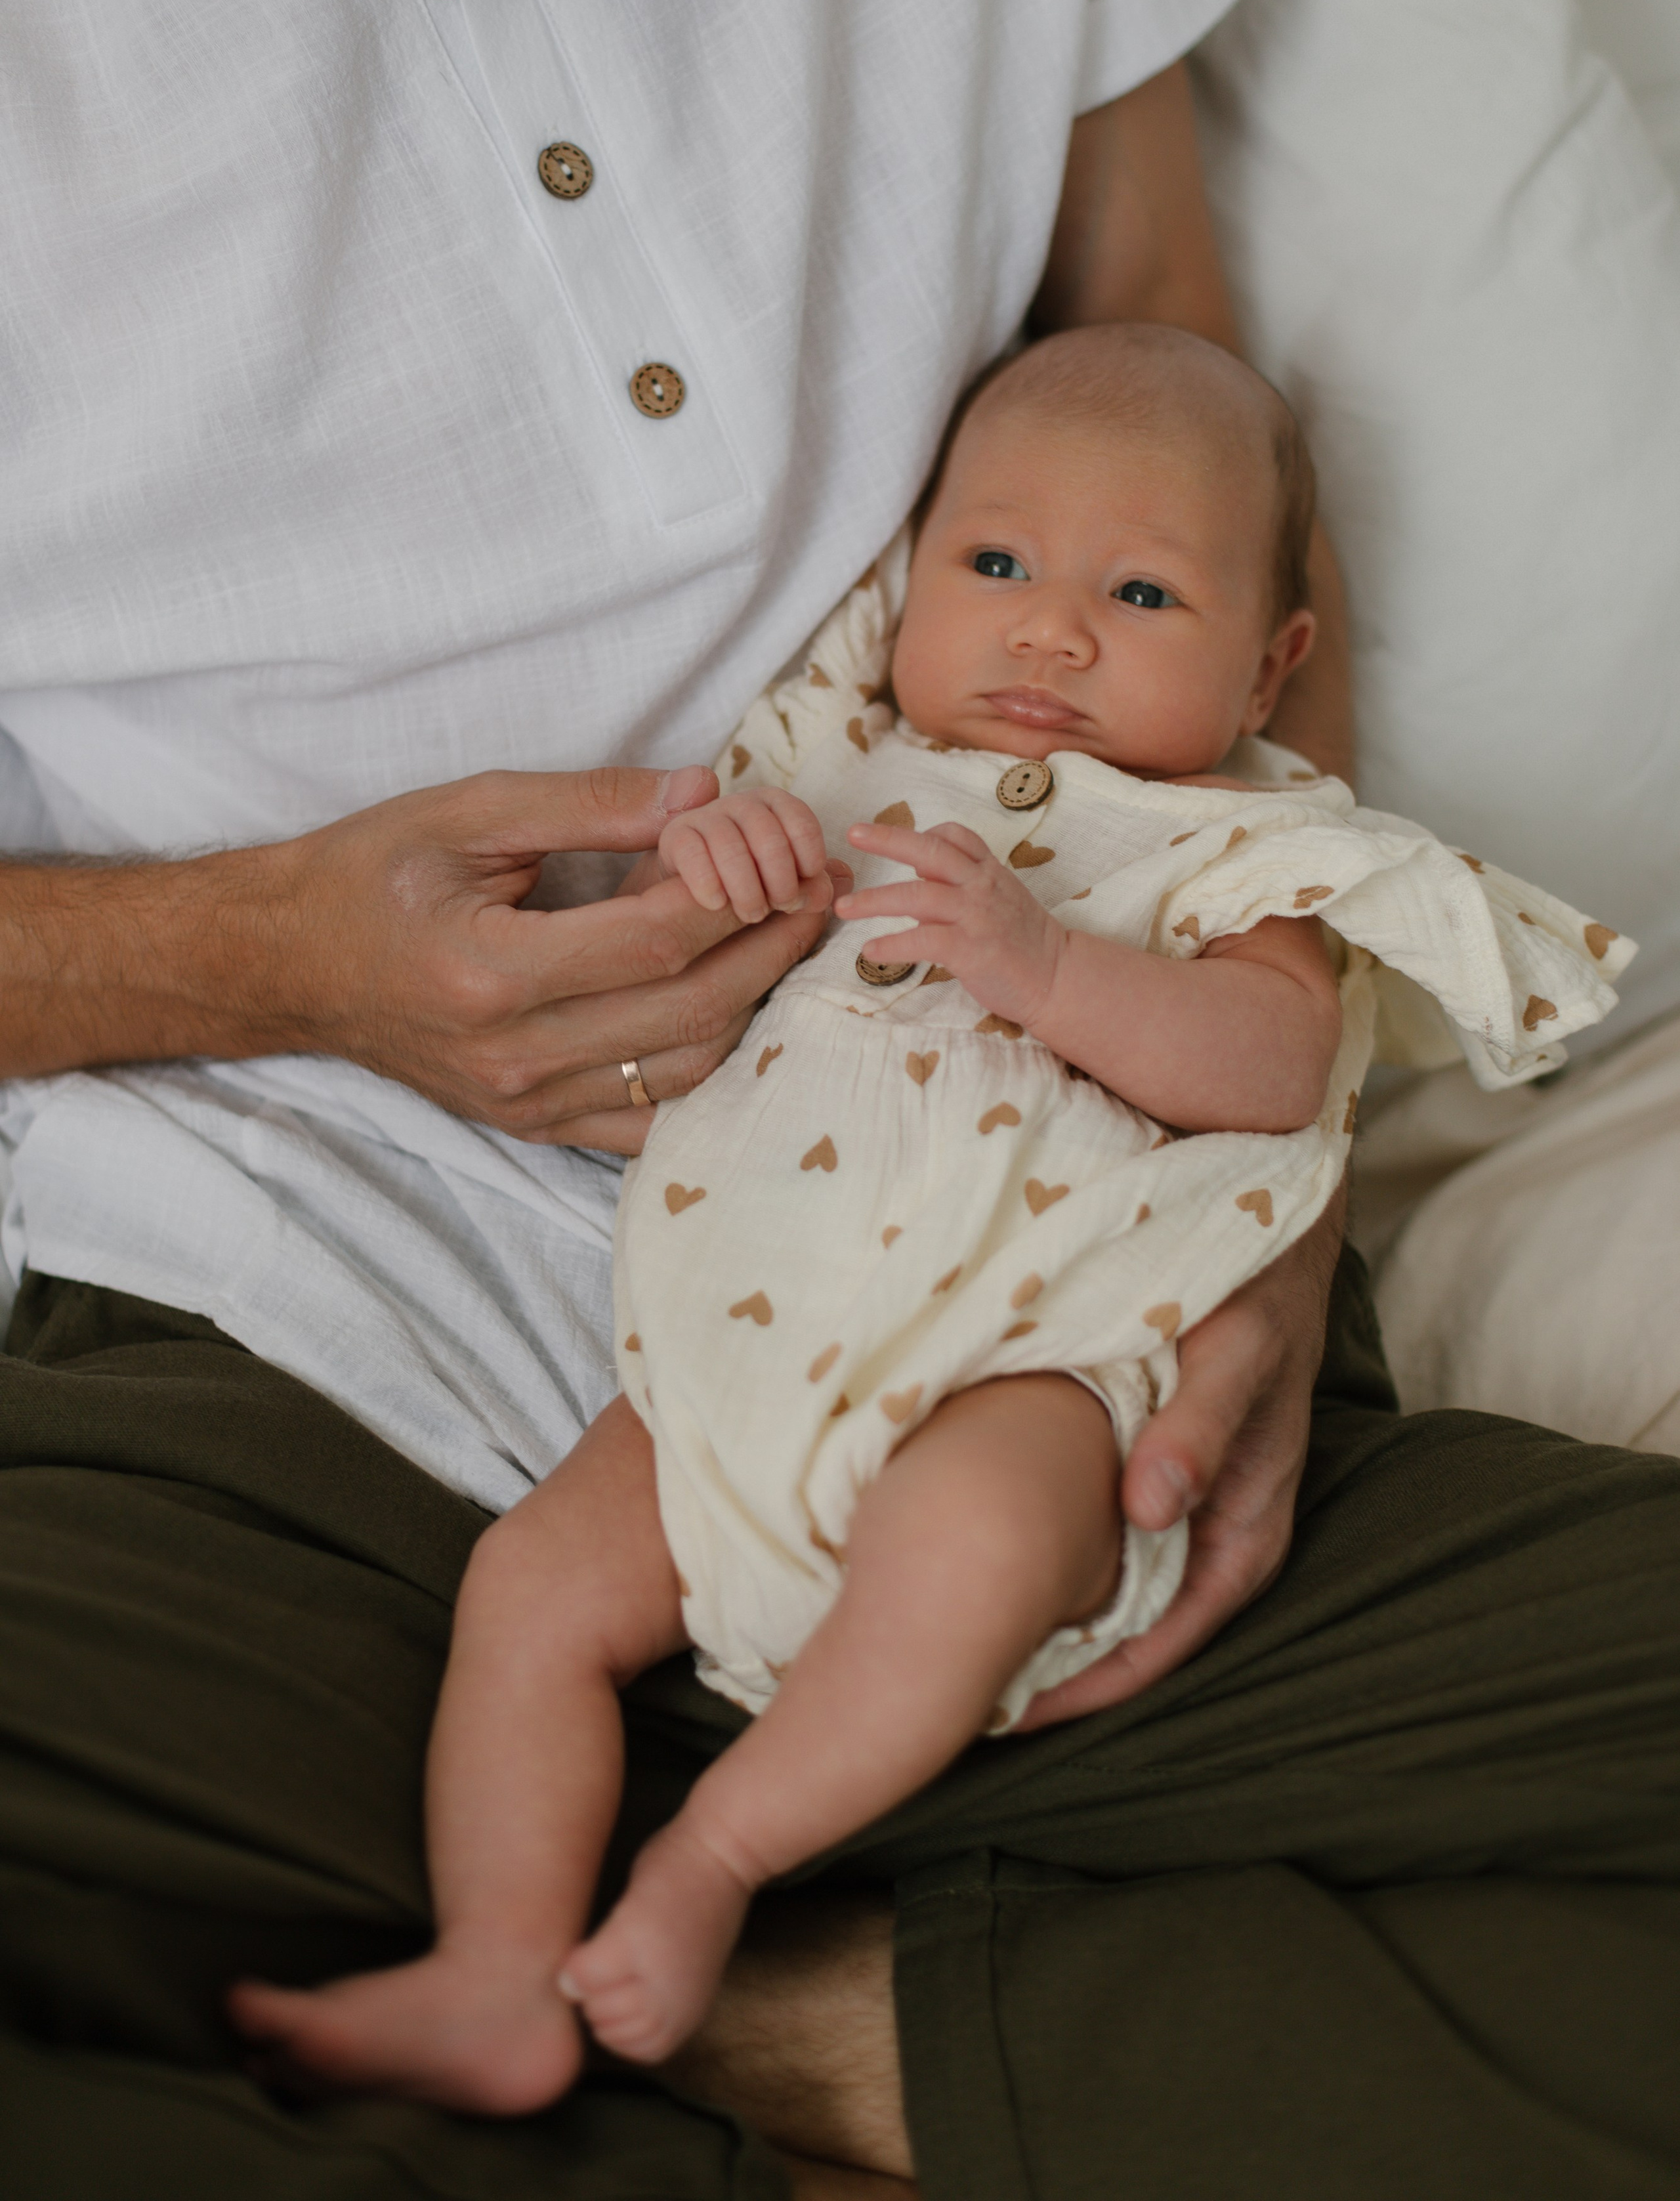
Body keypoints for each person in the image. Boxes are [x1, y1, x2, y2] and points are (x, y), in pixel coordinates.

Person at [3, 0, 1677, 2198]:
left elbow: (1189, 503)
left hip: (1058, 1345)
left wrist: (1261, 1210)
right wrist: (279, 965)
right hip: (297, 1334)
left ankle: (778, 2021)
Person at [230, 324, 1625, 2116]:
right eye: (994, 566)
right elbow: (700, 926)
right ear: (907, 586)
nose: (1051, 630)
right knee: (535, 1592)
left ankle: (715, 1867)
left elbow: (1278, 1066)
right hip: (740, 1346)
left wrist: (1047, 965)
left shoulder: (1252, 846)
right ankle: (492, 1968)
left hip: (1028, 1348)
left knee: (964, 1548)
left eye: (1139, 591)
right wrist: (719, 865)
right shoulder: (839, 756)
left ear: (1274, 665)